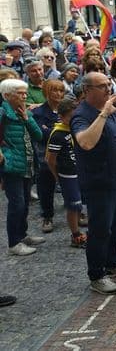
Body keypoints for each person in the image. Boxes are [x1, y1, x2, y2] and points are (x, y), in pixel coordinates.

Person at [71, 72, 116, 294]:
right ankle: (97, 274)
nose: (108, 90)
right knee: (100, 227)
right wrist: (103, 115)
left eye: (108, 85)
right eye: (102, 86)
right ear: (87, 90)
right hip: (102, 180)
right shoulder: (82, 115)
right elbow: (85, 143)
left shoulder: (111, 110)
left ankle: (113, 261)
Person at [1, 79, 45, 256]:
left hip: (27, 162)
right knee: (17, 204)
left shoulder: (24, 112)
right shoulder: (3, 112)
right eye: (20, 93)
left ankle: (22, 234)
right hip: (12, 165)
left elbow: (39, 135)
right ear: (7, 96)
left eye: (25, 92)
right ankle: (13, 243)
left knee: (25, 203)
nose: (24, 96)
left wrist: (28, 119)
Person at [45, 97, 87, 247]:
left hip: (80, 171)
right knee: (73, 205)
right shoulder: (58, 134)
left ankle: (81, 226)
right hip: (67, 175)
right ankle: (75, 235)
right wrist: (58, 177)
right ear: (61, 117)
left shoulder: (76, 128)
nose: (74, 120)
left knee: (80, 202)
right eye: (70, 117)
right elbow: (50, 159)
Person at [33, 80, 65, 233]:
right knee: (46, 185)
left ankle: (76, 209)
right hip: (46, 155)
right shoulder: (39, 112)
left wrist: (53, 129)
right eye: (54, 91)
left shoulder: (66, 109)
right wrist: (60, 130)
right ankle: (47, 215)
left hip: (66, 153)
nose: (58, 94)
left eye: (61, 90)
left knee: (70, 183)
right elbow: (43, 135)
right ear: (47, 92)